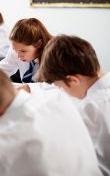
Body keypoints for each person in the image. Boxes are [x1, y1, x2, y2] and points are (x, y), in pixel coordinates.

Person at [38, 35, 110, 175]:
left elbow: (94, 167)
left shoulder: (91, 109)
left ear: (73, 80)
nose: (63, 93)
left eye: (60, 87)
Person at [0, 18, 52, 83]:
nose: (18, 56)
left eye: (23, 51)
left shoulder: (53, 55)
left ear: (39, 44)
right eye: (15, 49)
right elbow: (2, 70)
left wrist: (27, 88)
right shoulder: (17, 48)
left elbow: (54, 87)